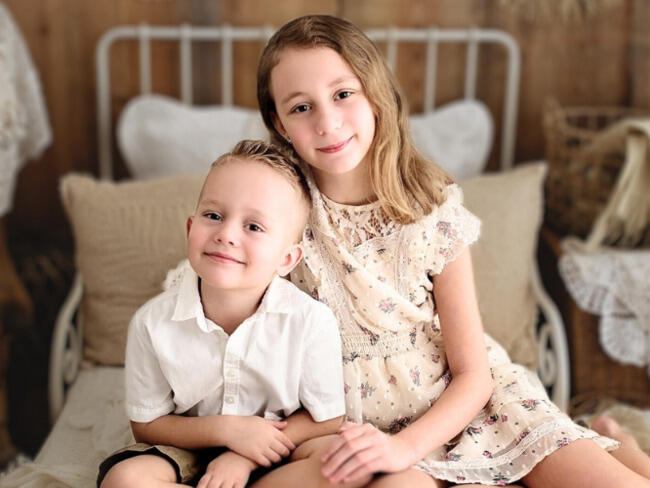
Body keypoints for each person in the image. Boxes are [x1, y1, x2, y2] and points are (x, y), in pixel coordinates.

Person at [250, 14, 650, 488]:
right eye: (301, 107)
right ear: (279, 122)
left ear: (375, 94)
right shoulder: (275, 210)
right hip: (363, 429)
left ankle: (623, 448)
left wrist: (404, 446)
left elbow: (474, 375)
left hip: (468, 404)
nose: (327, 122)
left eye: (343, 94)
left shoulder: (430, 209)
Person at [98, 140, 346, 488]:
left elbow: (328, 418)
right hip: (187, 446)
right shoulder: (152, 323)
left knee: (340, 462)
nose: (226, 235)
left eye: (254, 227)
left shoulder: (311, 321)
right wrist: (228, 431)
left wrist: (243, 454)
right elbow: (147, 425)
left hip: (278, 446)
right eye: (213, 216)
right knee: (124, 479)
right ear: (190, 229)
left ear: (287, 259)